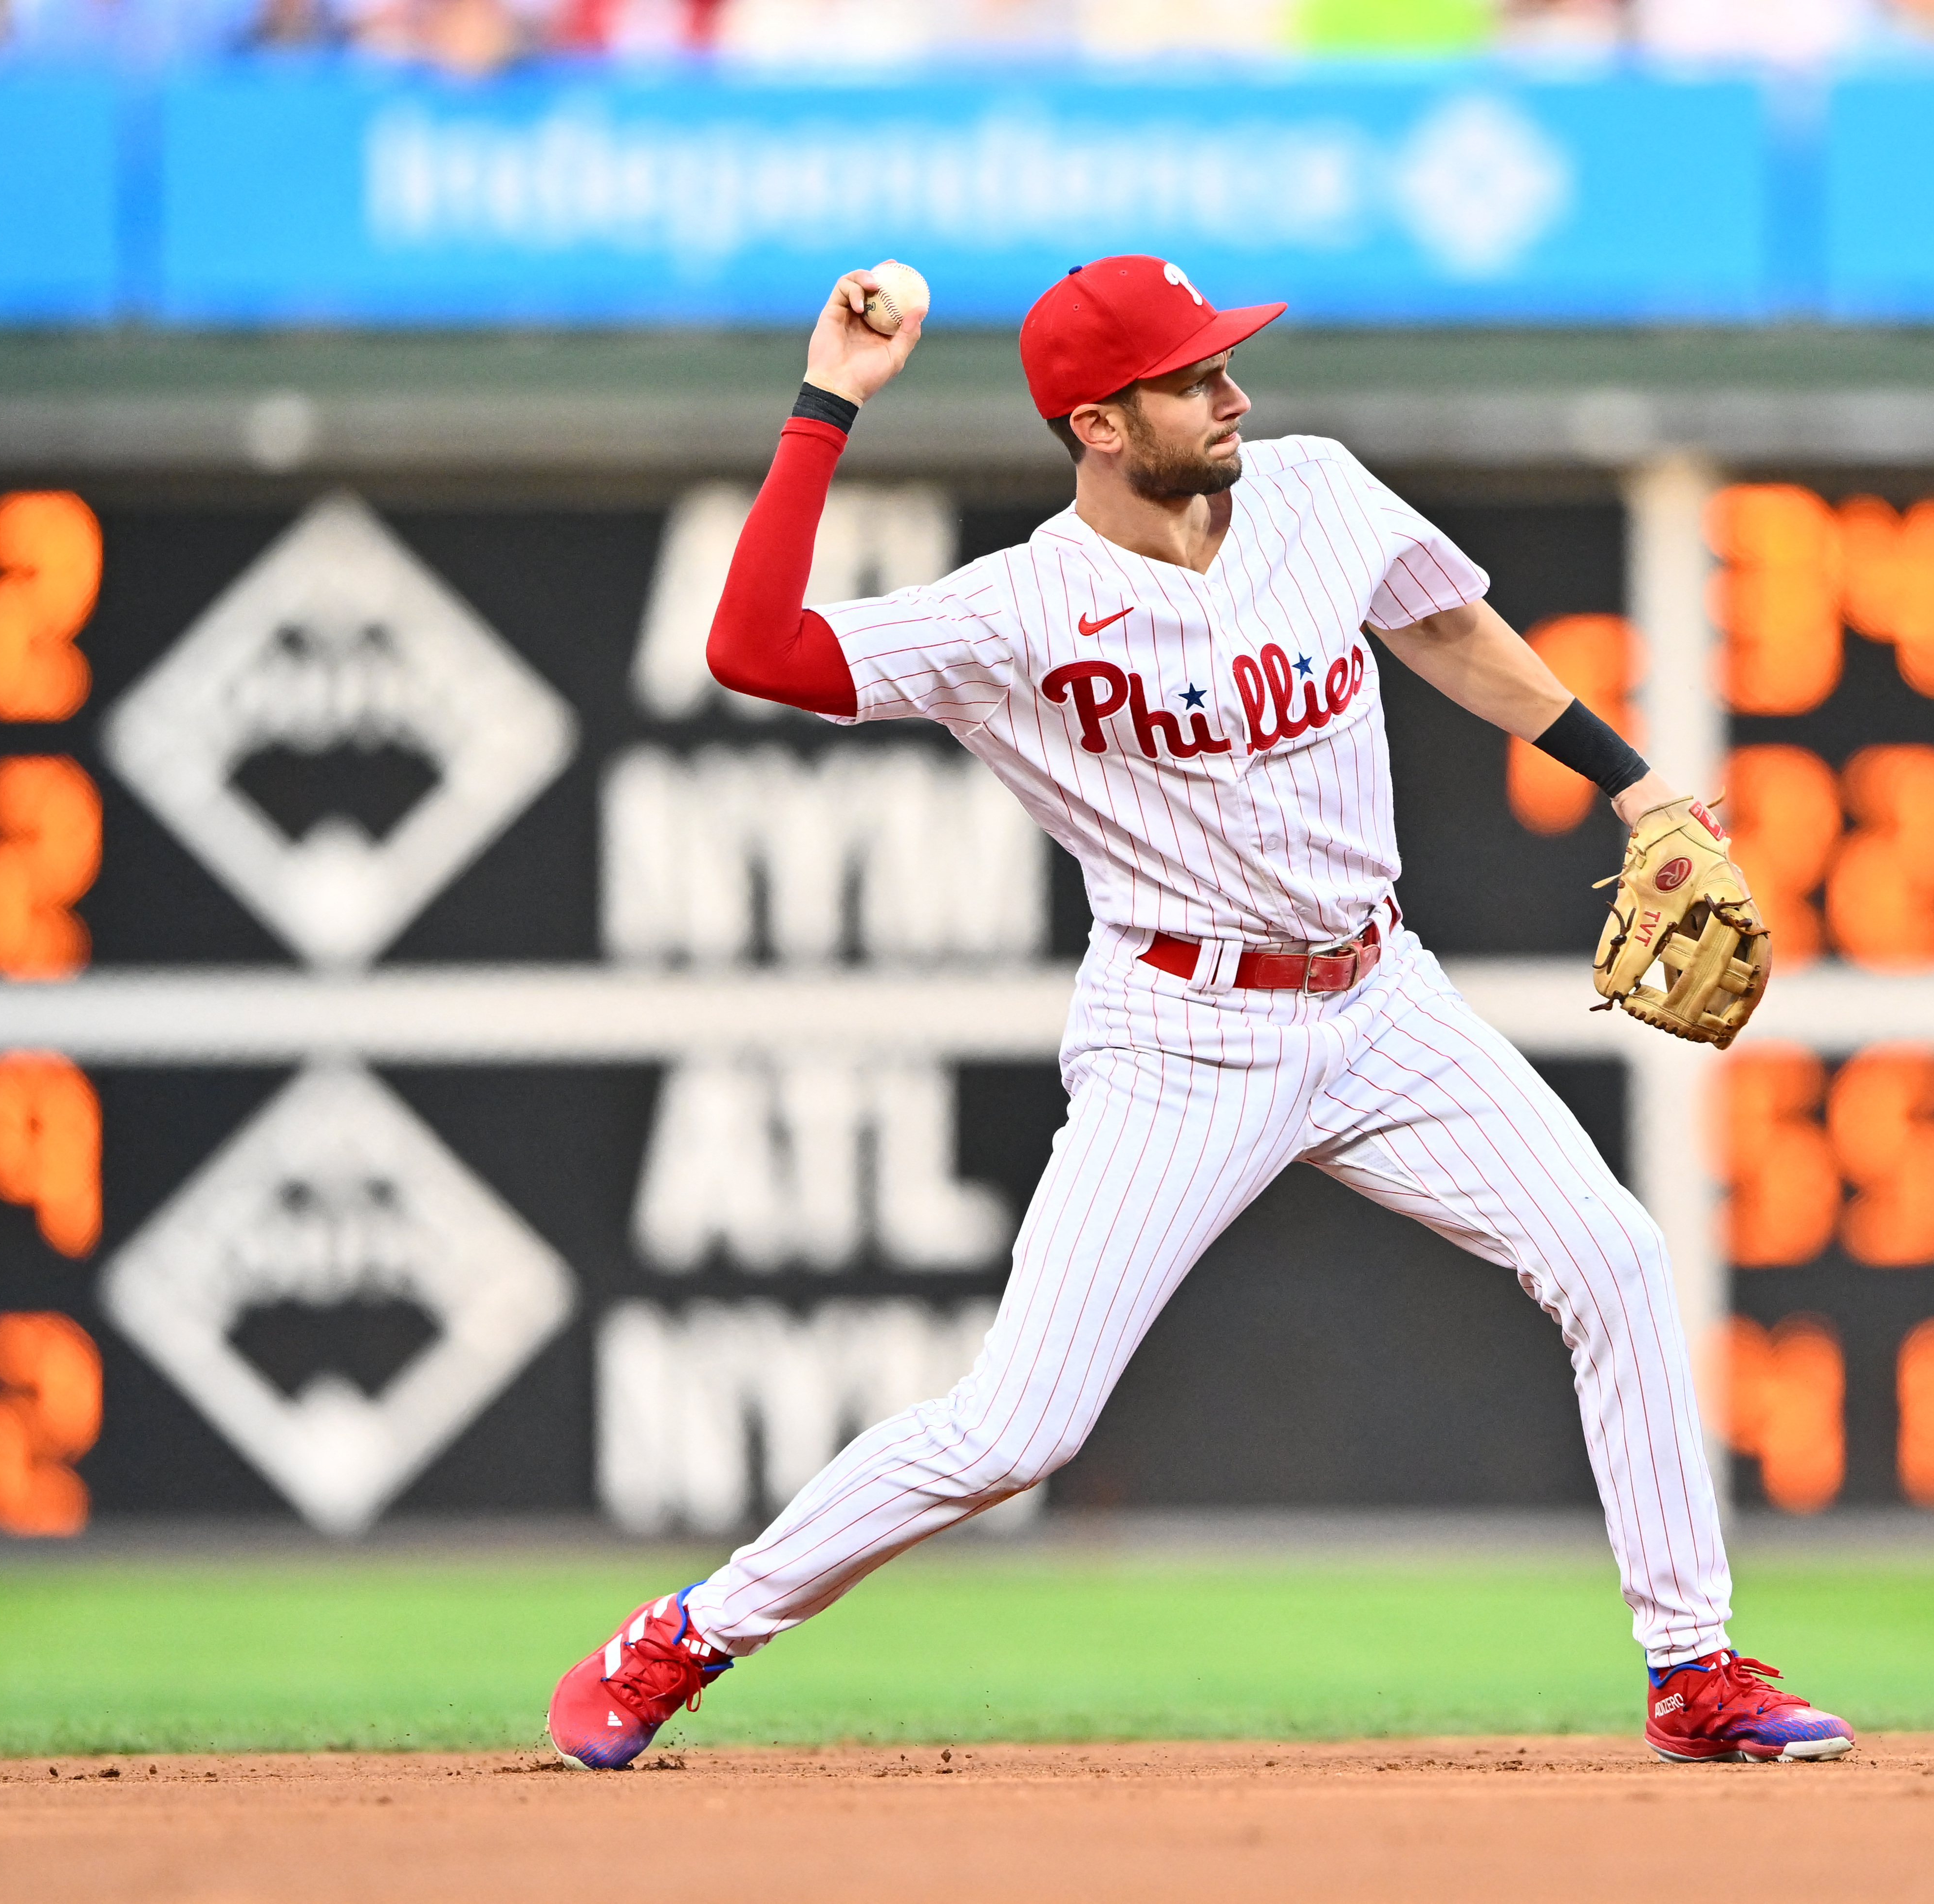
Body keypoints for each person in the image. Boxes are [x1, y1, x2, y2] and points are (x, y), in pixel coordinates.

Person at [544, 255, 1856, 1768]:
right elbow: (752, 648)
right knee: (1015, 1430)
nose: (1232, 394)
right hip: (1182, 1037)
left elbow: (1443, 632)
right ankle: (688, 1634)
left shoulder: (1316, 493)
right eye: (1191, 378)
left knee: (1615, 1257)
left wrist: (1634, 786)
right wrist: (829, 399)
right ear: (1098, 424)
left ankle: (1691, 1668)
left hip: (1380, 1001)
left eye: (1225, 364)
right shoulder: (1019, 609)